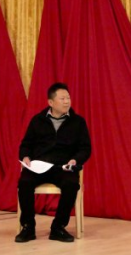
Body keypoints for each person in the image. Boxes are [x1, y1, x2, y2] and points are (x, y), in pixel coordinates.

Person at [16, 83, 91, 244]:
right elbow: (25, 144)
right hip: (39, 166)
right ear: (51, 102)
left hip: (63, 167)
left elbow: (85, 148)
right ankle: (28, 227)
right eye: (62, 98)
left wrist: (75, 160)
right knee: (24, 182)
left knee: (71, 184)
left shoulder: (78, 122)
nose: (67, 101)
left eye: (68, 98)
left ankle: (58, 227)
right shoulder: (37, 120)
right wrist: (25, 157)